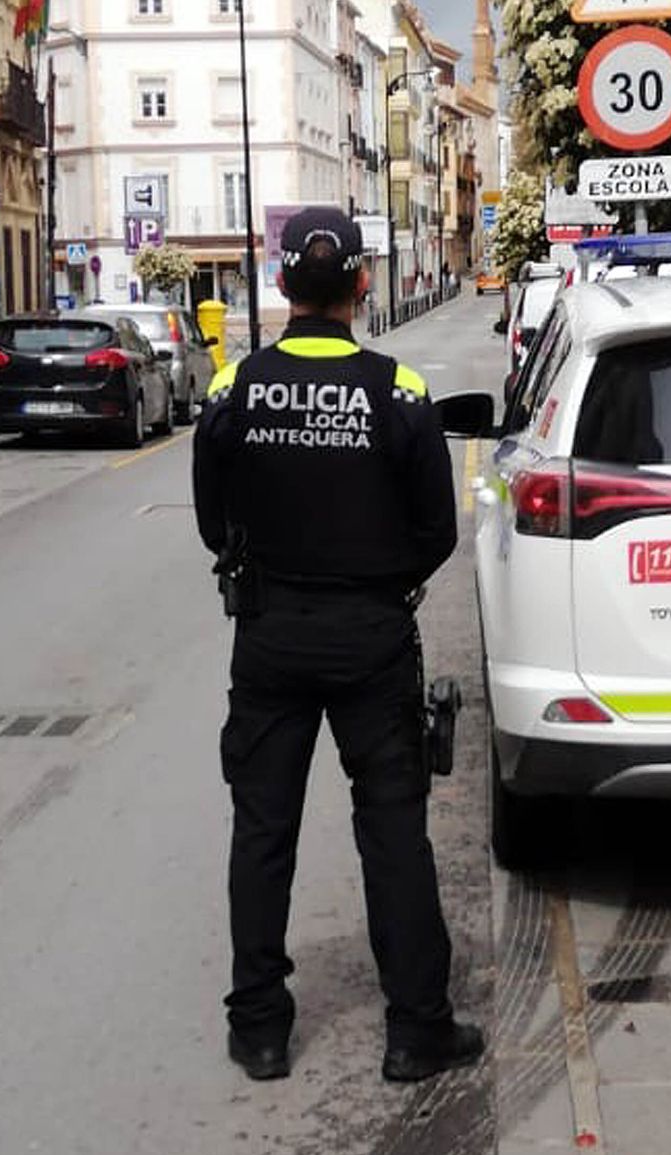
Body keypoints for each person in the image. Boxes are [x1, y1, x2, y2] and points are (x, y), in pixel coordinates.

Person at [192, 207, 483, 1085]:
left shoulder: (230, 392)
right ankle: (415, 1028)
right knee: (393, 831)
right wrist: (380, 576)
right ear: (363, 285)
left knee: (262, 828)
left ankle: (262, 1029)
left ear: (280, 286)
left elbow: (215, 526)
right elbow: (438, 528)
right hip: (372, 638)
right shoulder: (399, 393)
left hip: (270, 635)